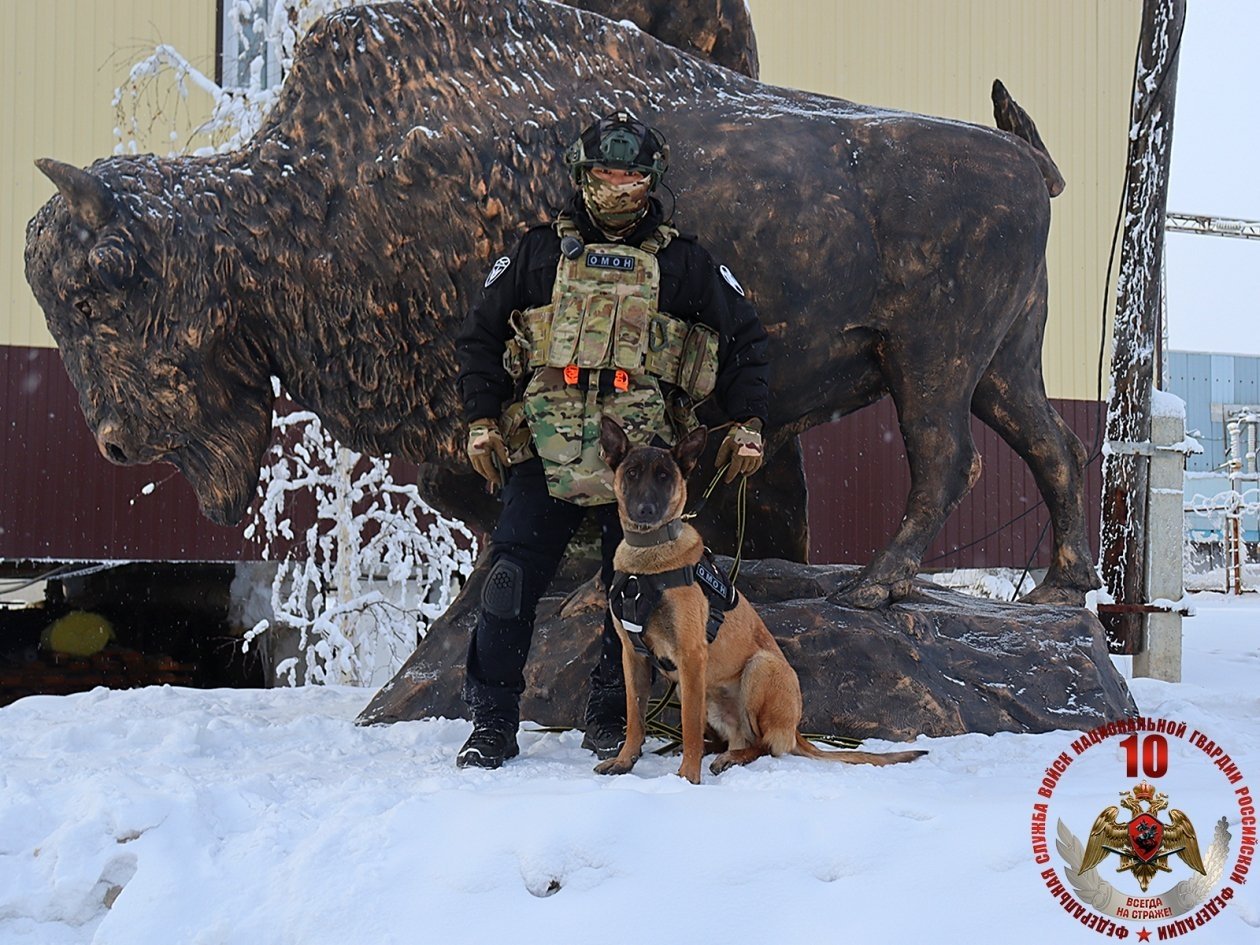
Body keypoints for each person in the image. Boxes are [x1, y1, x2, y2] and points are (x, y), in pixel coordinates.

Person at [453, 109, 770, 769]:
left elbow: (745, 335)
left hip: (641, 461)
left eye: (630, 174)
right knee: (508, 579)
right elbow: (480, 333)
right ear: (582, 174)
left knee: (633, 591)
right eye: (606, 172)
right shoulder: (540, 253)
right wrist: (481, 416)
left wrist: (747, 421)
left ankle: (609, 715)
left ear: (650, 181)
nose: (617, 185)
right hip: (549, 446)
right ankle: (490, 723)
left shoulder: (682, 262)